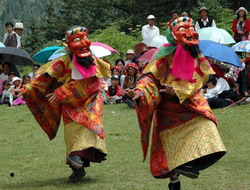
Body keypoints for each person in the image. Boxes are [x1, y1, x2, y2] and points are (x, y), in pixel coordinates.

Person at [128, 17, 226, 190]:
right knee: (169, 148)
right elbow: (149, 79)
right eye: (183, 28)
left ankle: (190, 165)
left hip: (191, 103)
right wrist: (139, 92)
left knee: (207, 124)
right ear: (173, 35)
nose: (189, 32)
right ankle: (175, 178)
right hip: (168, 108)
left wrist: (179, 91)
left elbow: (199, 78)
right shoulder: (163, 56)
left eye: (190, 27)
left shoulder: (196, 55)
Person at [21, 26, 110, 183]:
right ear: (68, 45)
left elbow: (94, 82)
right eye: (77, 40)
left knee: (90, 126)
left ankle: (83, 157)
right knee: (72, 136)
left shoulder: (93, 60)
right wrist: (27, 89)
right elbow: (44, 79)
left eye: (85, 38)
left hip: (91, 101)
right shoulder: (62, 62)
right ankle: (77, 168)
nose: (83, 43)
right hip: (70, 106)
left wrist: (61, 93)